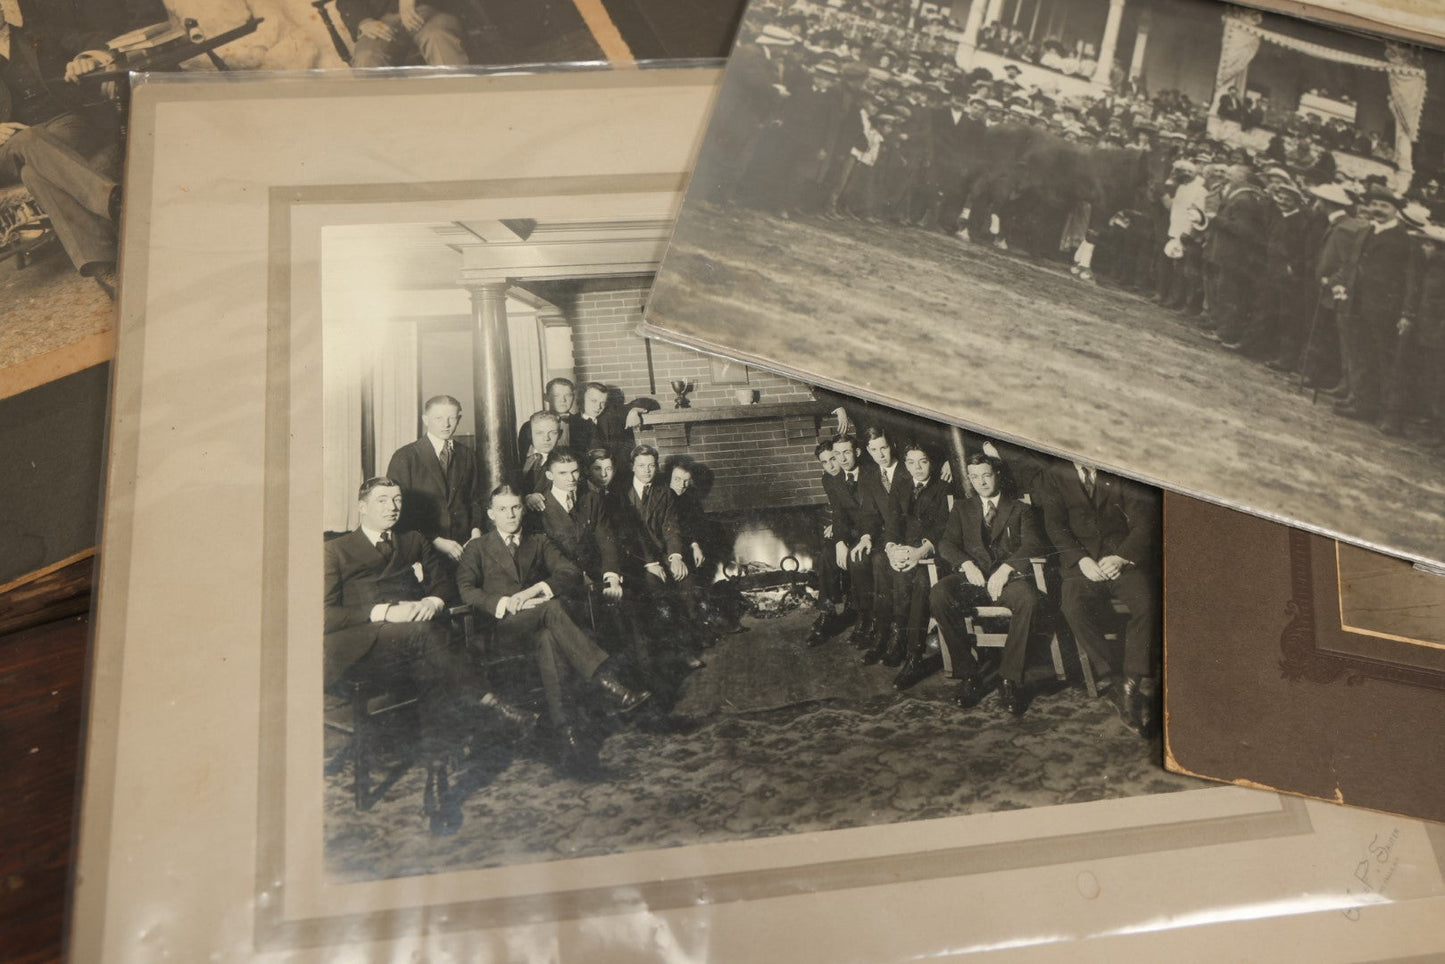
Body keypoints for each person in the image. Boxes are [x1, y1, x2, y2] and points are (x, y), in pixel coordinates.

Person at [324, 477, 535, 767]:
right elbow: (322, 615)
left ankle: (438, 767)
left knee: (430, 662)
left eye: (397, 499)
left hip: (418, 644)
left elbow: (444, 586)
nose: (392, 507)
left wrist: (432, 602)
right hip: (365, 647)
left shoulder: (412, 540)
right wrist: (384, 612)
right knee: (428, 636)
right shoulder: (336, 550)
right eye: (382, 501)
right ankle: (490, 703)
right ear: (362, 507)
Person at [456, 485, 651, 773]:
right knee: (551, 607)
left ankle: (567, 734)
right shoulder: (478, 547)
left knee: (548, 636)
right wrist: (506, 603)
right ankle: (606, 681)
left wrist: (537, 588)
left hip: (540, 629)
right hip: (502, 631)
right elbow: (466, 590)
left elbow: (569, 572)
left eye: (515, 508)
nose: (510, 515)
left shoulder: (538, 541)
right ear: (490, 514)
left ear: (523, 509)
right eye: (502, 509)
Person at [0, 1, 155, 295]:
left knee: (35, 174)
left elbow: (93, 42)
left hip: (62, 125)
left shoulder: (36, 33)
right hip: (7, 147)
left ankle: (103, 266)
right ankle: (115, 202)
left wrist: (87, 58)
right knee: (29, 138)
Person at [1040, 460, 1160, 737]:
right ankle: (1112, 677)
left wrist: (1122, 557)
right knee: (1072, 606)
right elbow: (1055, 526)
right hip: (1081, 566)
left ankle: (1131, 679)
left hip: (1119, 561)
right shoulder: (1054, 474)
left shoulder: (1119, 470)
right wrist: (1080, 560)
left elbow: (1144, 520)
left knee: (1146, 602)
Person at [929, 454, 1048, 715]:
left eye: (986, 475)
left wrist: (1006, 569)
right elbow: (946, 544)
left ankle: (1010, 679)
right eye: (974, 477)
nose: (981, 481)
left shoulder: (1020, 508)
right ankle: (969, 675)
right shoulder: (961, 508)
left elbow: (1034, 543)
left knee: (1029, 599)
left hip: (1009, 581)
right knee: (939, 593)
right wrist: (966, 565)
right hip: (972, 580)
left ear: (997, 475)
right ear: (969, 479)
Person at [1334, 184, 1412, 427]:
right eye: (1375, 205)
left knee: (1382, 360)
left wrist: (1405, 311)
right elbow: (1352, 262)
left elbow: (1410, 279)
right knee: (1359, 354)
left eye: (1384, 206)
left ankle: (1384, 412)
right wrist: (1342, 284)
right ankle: (1360, 401)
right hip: (1356, 302)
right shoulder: (1366, 230)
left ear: (1395, 210)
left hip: (1384, 310)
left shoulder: (1404, 240)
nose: (1378, 210)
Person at [877, 441, 951, 687]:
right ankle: (898, 637)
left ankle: (914, 655)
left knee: (920, 582)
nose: (917, 468)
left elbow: (944, 529)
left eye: (923, 461)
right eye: (911, 462)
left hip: (934, 555)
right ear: (905, 465)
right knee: (897, 574)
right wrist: (892, 550)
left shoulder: (944, 488)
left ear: (932, 462)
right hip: (905, 554)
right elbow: (892, 524)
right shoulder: (901, 487)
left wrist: (920, 552)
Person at [385, 394, 484, 565]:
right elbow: (398, 509)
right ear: (425, 419)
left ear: (459, 419)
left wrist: (476, 533)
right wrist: (435, 541)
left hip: (464, 548)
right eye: (438, 418)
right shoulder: (405, 456)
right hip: (423, 550)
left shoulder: (467, 455)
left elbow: (475, 500)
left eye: (451, 418)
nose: (446, 424)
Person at [852, 425, 905, 662]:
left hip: (908, 538)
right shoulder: (870, 476)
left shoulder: (909, 469)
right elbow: (869, 514)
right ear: (868, 451)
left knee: (879, 562)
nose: (880, 454)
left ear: (891, 445)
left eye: (883, 448)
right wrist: (865, 537)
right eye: (874, 450)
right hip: (885, 538)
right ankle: (877, 629)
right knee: (861, 558)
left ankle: (891, 635)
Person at [335, 0, 468, 69]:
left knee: (437, 38)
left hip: (431, 10)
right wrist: (364, 21)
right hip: (382, 20)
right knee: (367, 57)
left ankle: (460, 106)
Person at [517, 378, 577, 457]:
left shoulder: (585, 425)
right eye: (556, 395)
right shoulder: (529, 426)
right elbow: (524, 458)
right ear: (546, 397)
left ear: (573, 397)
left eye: (568, 395)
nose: (563, 400)